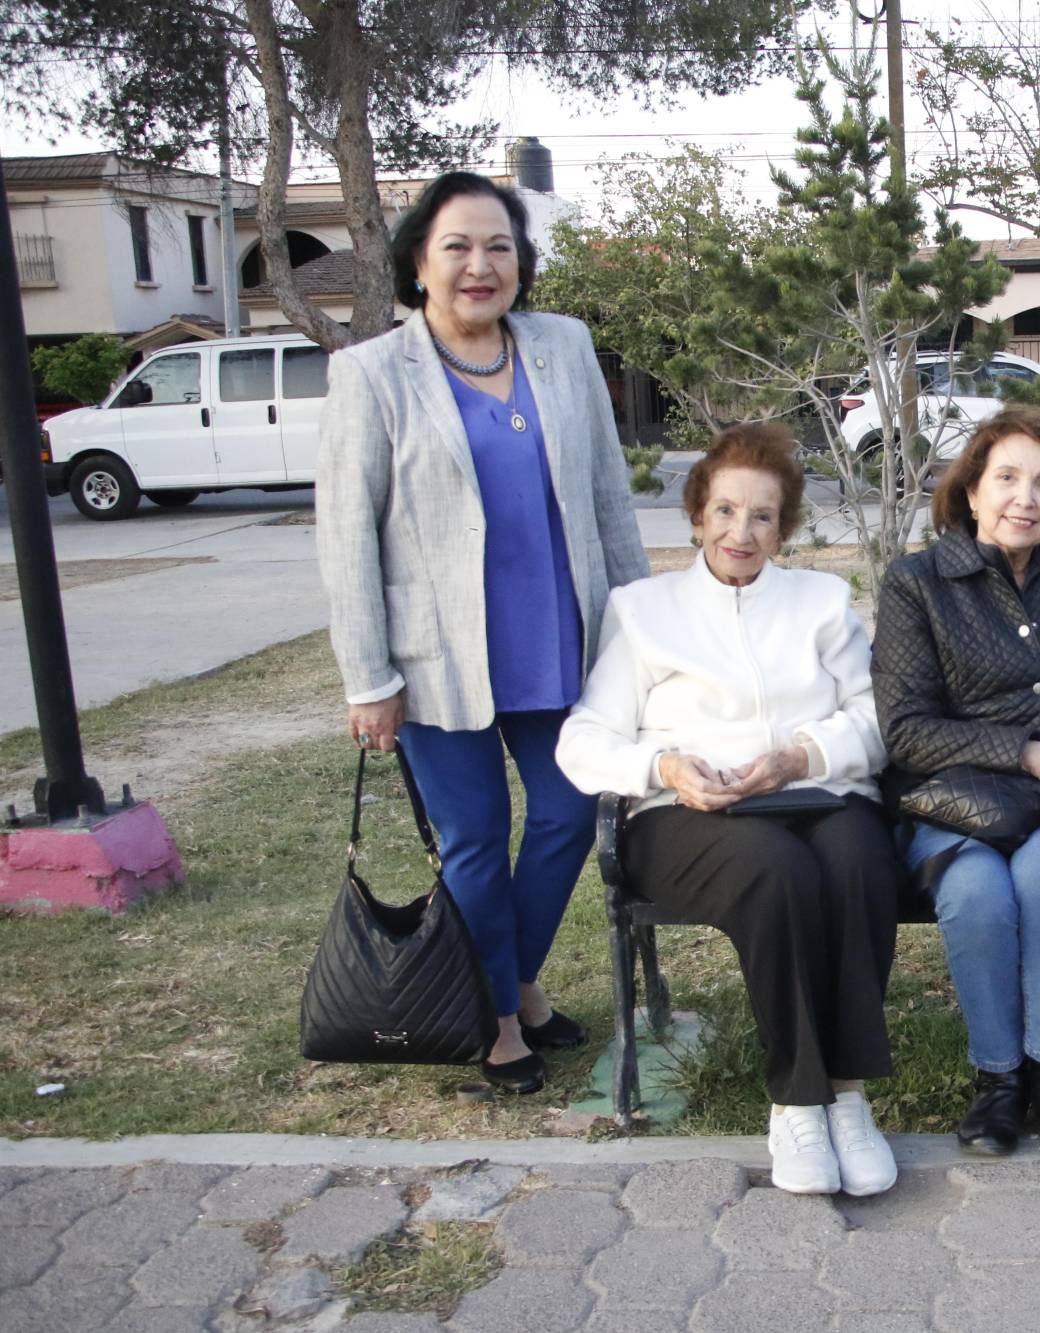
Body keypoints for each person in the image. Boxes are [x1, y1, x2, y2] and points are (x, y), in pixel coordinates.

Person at [318, 171, 648, 1096]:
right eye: (457, 247)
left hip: (557, 635)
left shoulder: (563, 346)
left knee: (569, 810)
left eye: (498, 246)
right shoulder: (373, 373)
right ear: (419, 264)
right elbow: (346, 533)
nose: (479, 265)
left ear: (520, 262)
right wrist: (367, 676)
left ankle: (512, 980)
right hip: (438, 658)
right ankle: (497, 1020)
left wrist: (642, 628)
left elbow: (606, 497)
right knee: (472, 838)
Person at [554, 423, 901, 1197]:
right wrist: (663, 764)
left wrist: (799, 755)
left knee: (858, 861)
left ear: (785, 526)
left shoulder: (821, 600)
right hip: (688, 813)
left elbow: (879, 719)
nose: (742, 532)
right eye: (725, 511)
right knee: (774, 871)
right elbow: (582, 740)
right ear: (697, 514)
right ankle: (797, 1100)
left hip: (812, 790)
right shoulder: (643, 610)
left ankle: (848, 1092)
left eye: (763, 516)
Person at [872, 407, 1040, 1164]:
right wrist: (1032, 752)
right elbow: (906, 728)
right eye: (1007, 478)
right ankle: (997, 1080)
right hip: (952, 800)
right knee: (978, 890)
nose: (1027, 498)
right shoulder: (917, 583)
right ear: (972, 492)